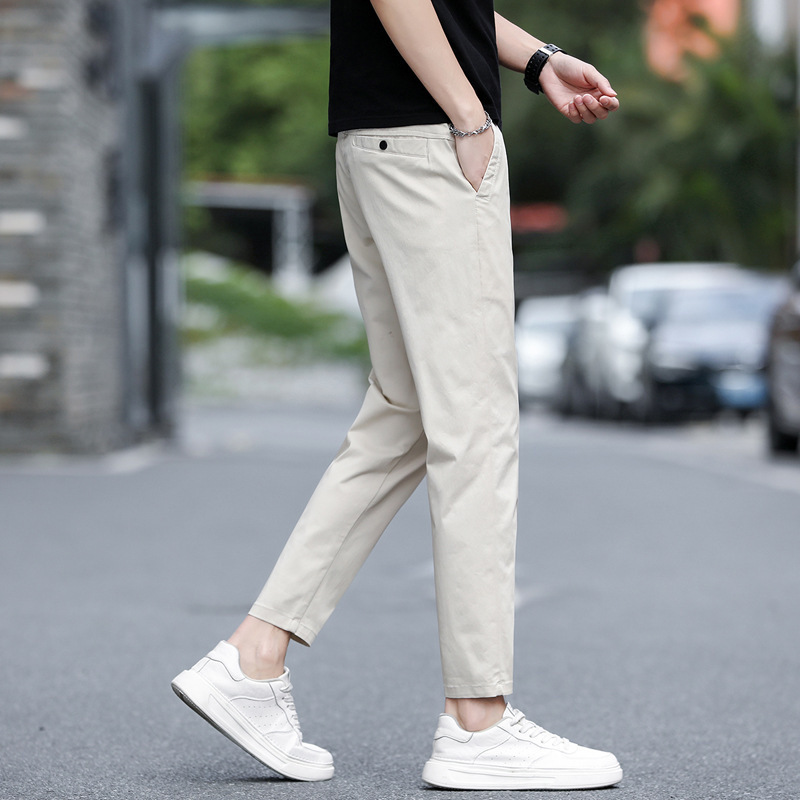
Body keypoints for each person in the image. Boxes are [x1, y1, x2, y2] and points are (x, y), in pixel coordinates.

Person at [172, 0, 622, 790]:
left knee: (407, 413)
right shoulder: (451, 122)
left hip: (384, 143)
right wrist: (468, 115)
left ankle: (254, 657)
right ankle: (479, 721)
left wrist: (538, 60)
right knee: (475, 426)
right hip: (431, 142)